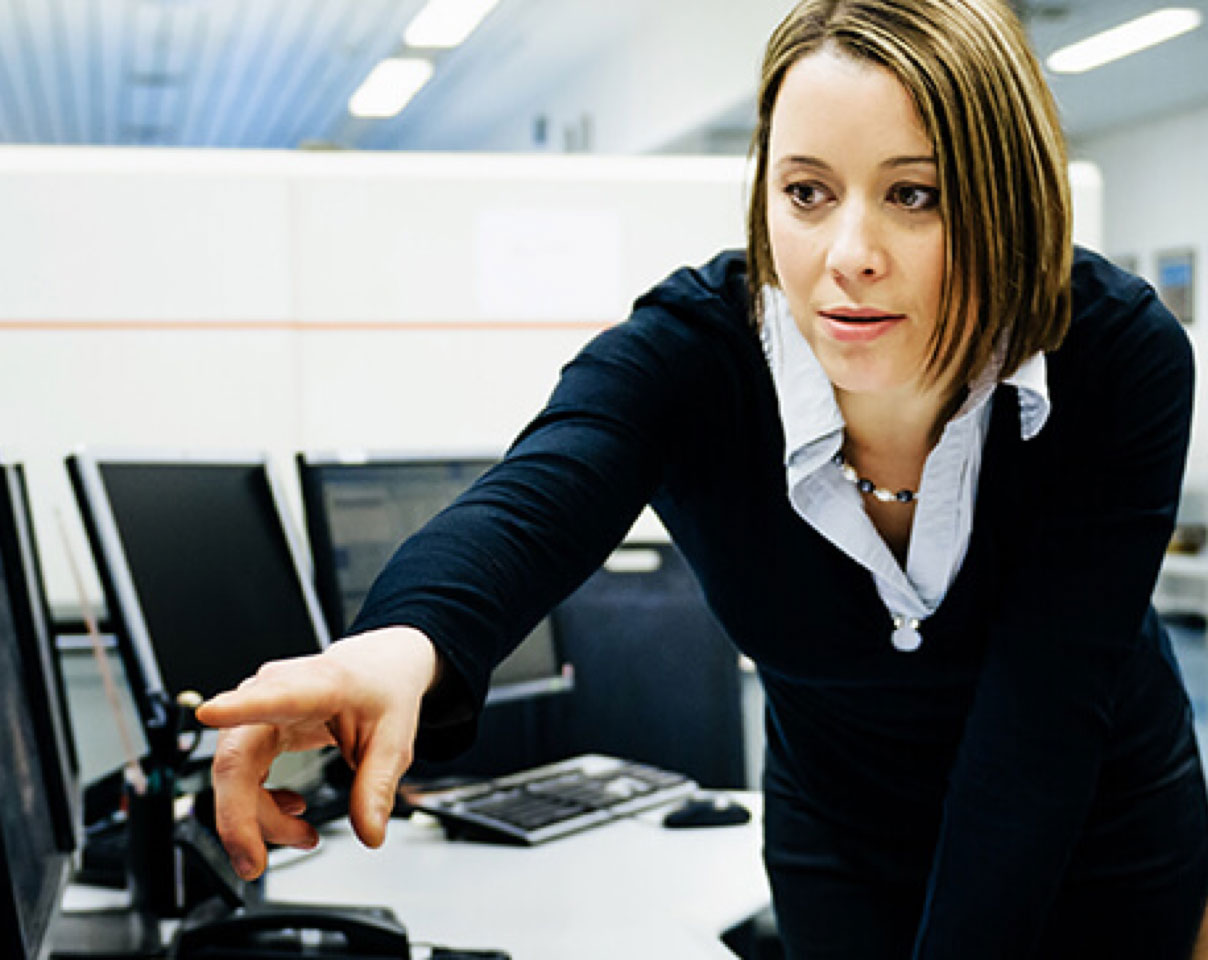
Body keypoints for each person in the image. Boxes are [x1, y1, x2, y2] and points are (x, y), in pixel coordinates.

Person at [196, 0, 1208, 956]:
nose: (844, 255)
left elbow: (1039, 723)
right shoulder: (694, 351)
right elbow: (539, 490)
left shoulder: (1114, 357)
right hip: (839, 844)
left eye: (915, 194)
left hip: (1088, 836)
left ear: (1007, 198)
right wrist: (402, 643)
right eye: (805, 192)